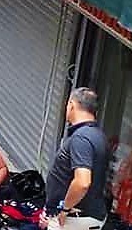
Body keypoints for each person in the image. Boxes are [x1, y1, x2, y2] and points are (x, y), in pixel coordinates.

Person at [40, 88, 109, 230]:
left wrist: (64, 210)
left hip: (74, 219)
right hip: (85, 217)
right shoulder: (99, 136)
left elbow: (83, 182)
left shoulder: (81, 138)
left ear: (71, 105)